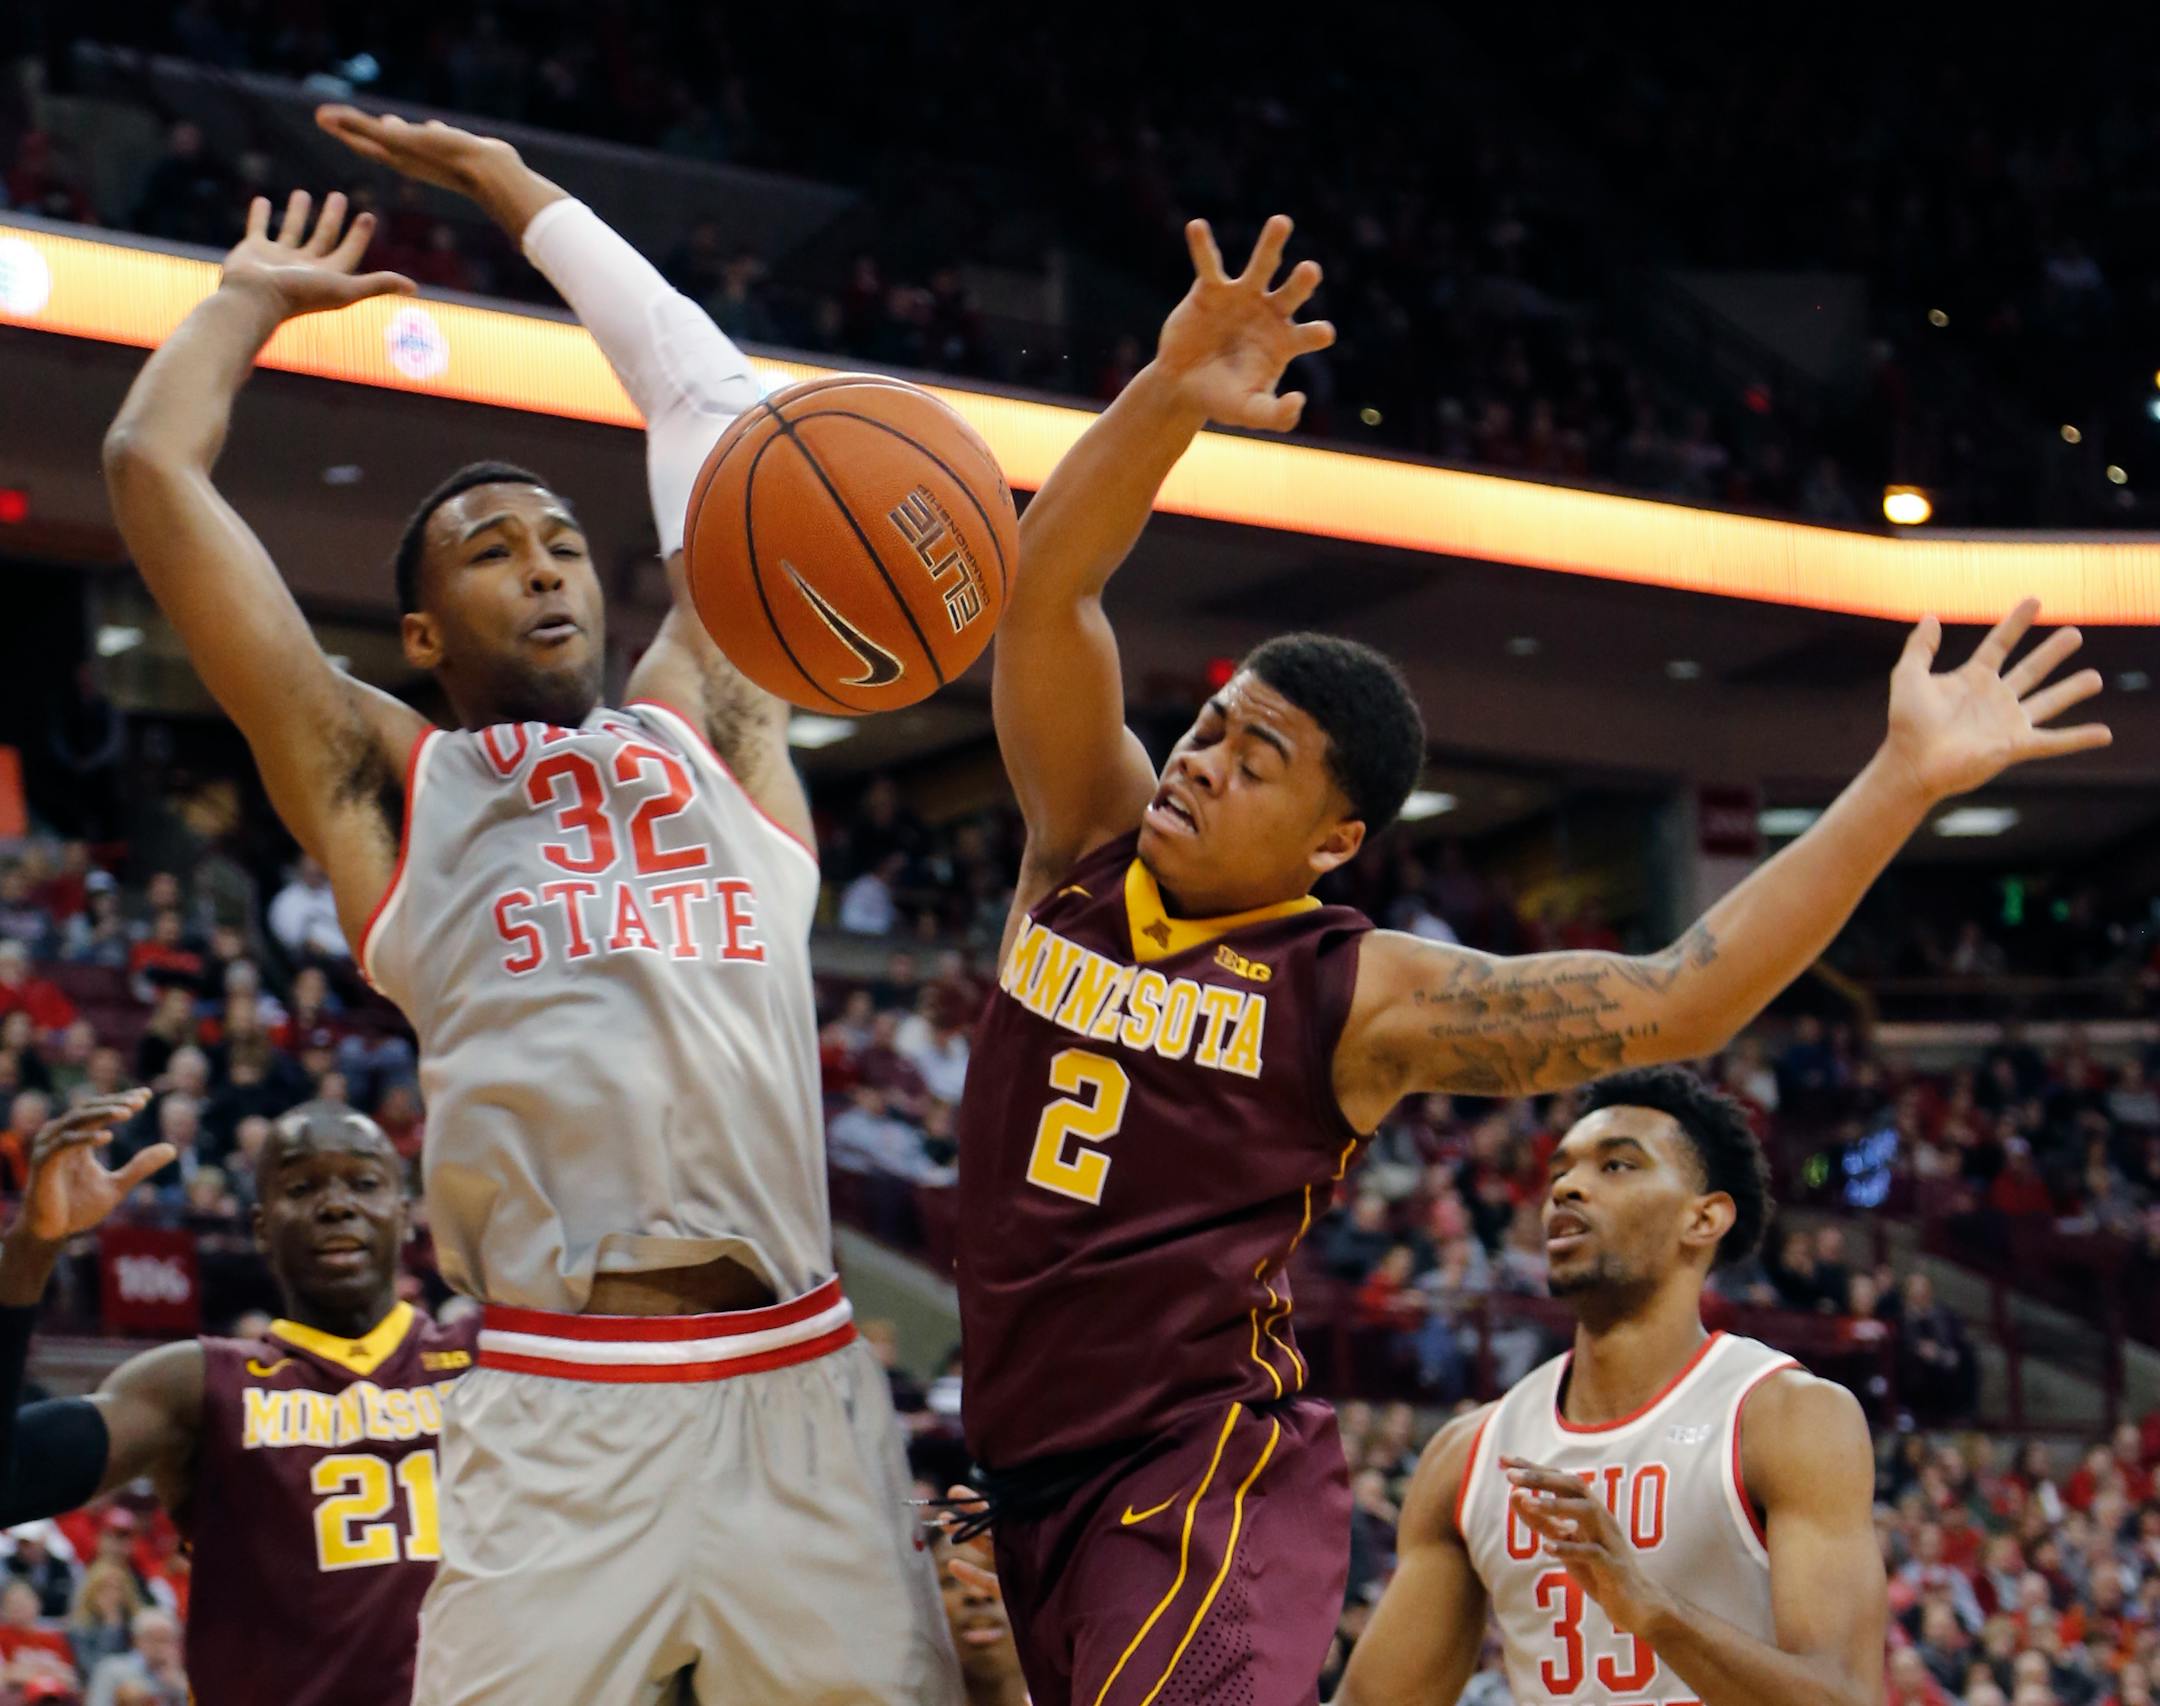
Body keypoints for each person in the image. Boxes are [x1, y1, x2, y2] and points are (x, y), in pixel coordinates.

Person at [950, 209, 2108, 1703]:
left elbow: (1681, 991)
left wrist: (1895, 780)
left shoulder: (1359, 993)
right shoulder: (1083, 839)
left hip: (1192, 1478)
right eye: (1209, 726)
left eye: (1260, 755)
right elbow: (1051, 591)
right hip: (1015, 1462)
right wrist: (1166, 396)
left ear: (1331, 839)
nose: (1201, 757)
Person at [107, 103, 953, 1700]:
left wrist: (520, 195)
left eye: (566, 540)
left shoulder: (714, 724)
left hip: (803, 1394)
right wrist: (242, 303)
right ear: (423, 634)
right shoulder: (397, 786)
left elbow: (718, 406)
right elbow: (150, 470)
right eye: (495, 551)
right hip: (560, 1405)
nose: (550, 564)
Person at [1334, 1069, 1886, 1705]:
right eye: (1561, 1170)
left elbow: (1847, 1697)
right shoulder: (1471, 1454)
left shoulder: (1786, 1417)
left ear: (1703, 1218)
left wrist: (1649, 1607)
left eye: (1617, 1166)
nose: (1567, 1186)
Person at [0, 1095, 476, 1704]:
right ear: (260, 1225)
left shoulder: (485, 1357)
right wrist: (31, 1250)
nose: (336, 1205)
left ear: (405, 1214)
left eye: (364, 1182)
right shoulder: (196, 1385)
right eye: (302, 1187)